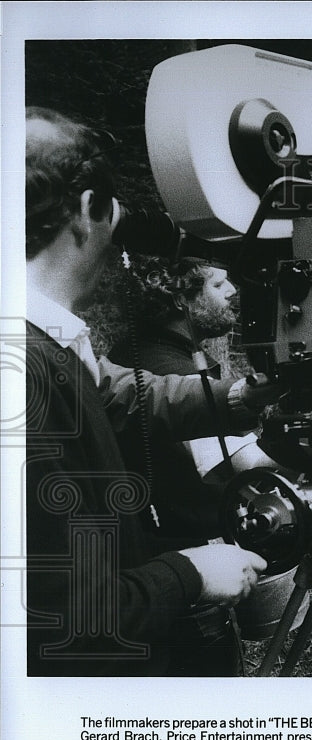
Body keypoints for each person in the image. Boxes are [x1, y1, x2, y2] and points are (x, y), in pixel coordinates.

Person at [24, 106, 272, 677]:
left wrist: (234, 397)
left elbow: (117, 397)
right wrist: (190, 573)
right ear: (88, 210)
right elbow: (60, 613)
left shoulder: (51, 342)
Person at [107, 257, 275, 675]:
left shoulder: (155, 352)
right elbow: (247, 464)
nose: (233, 292)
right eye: (219, 285)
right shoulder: (165, 367)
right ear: (180, 297)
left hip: (165, 572)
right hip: (184, 591)